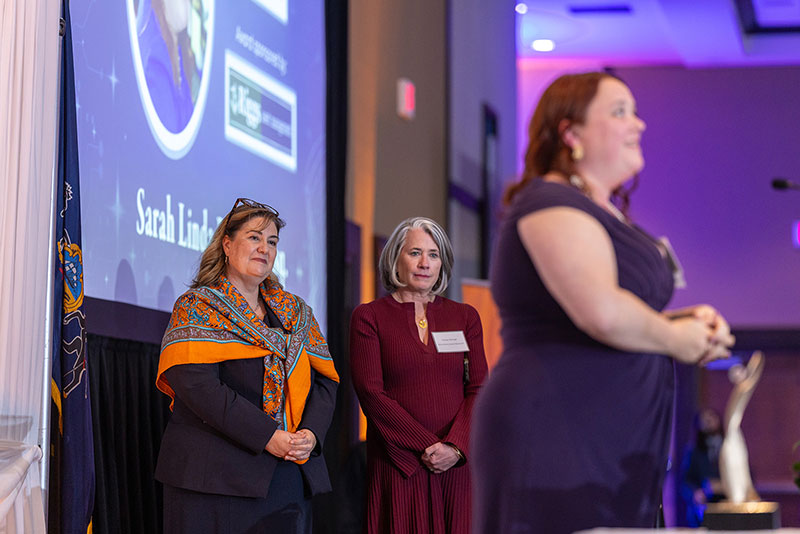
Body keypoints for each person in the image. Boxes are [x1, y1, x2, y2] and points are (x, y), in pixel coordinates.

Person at [470, 72, 736, 533]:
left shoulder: (603, 210)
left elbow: (614, 312)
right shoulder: (548, 202)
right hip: (558, 430)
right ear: (570, 134)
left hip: (611, 440)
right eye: (619, 112)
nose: (638, 125)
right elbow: (600, 312)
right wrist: (676, 337)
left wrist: (688, 322)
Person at [155, 198, 339, 533]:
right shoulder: (196, 306)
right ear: (227, 243)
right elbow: (196, 385)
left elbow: (325, 382)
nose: (264, 249)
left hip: (287, 476)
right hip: (213, 481)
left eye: (272, 242)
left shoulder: (297, 313)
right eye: (254, 237)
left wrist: (310, 435)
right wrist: (268, 435)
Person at [349, 216, 489, 534]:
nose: (425, 263)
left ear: (443, 262)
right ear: (395, 257)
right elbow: (371, 392)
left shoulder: (465, 316)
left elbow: (480, 387)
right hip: (400, 465)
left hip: (456, 466)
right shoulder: (369, 317)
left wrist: (454, 448)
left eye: (433, 254)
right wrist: (428, 447)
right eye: (414, 253)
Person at [679, 408, 725, 526]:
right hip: (703, 511)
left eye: (711, 418)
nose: (708, 422)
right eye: (704, 420)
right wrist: (696, 493)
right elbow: (685, 481)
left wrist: (722, 486)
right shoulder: (694, 452)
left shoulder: (730, 448)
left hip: (728, 507)